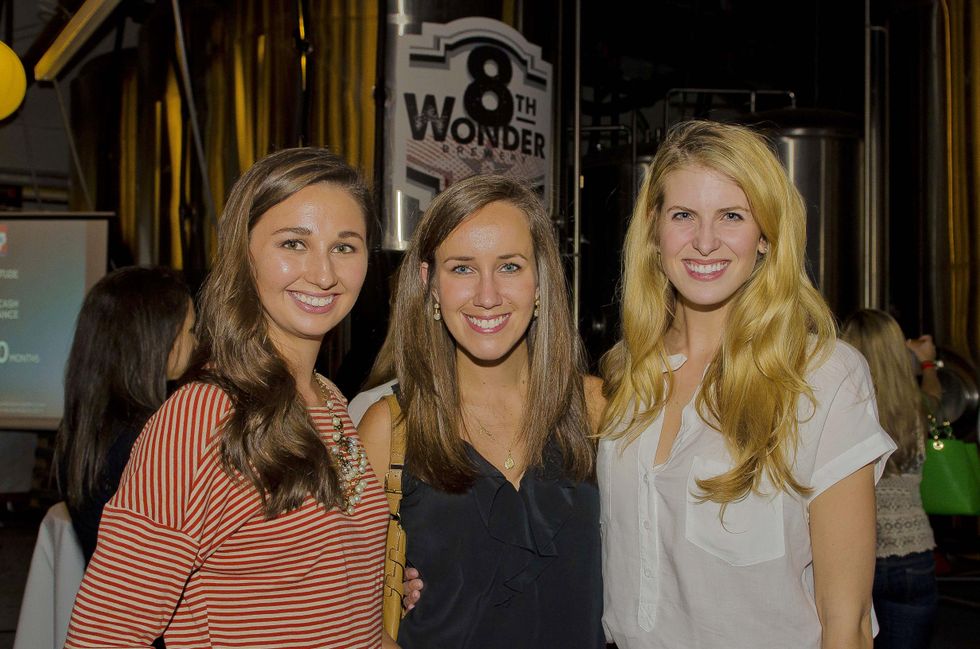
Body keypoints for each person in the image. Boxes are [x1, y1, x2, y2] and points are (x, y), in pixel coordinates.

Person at [64, 148, 389, 649]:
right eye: (293, 243)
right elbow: (105, 635)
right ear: (244, 253)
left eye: (345, 247)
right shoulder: (201, 417)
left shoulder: (330, 400)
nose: (323, 273)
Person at [598, 120, 896, 649]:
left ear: (765, 236)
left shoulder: (821, 376)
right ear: (654, 230)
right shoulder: (628, 374)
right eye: (683, 215)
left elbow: (844, 623)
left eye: (731, 216)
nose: (705, 241)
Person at [357, 174, 606, 649]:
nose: (487, 295)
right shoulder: (390, 429)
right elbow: (351, 612)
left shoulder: (596, 409)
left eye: (510, 267)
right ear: (430, 283)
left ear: (540, 281)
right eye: (462, 268)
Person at [54, 266, 195, 563]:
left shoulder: (83, 428)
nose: (197, 343)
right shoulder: (152, 435)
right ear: (158, 341)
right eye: (191, 331)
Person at [841, 309, 939, 649]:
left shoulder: (840, 411)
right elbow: (941, 404)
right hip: (913, 556)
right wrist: (925, 363)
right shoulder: (917, 406)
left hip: (850, 557)